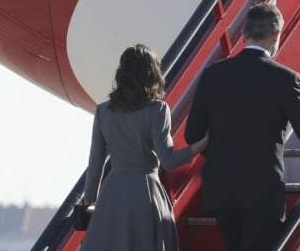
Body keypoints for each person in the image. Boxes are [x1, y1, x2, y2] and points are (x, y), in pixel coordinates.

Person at [185, 2, 300, 251]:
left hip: (221, 191)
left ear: (244, 35)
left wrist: (225, 151)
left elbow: (192, 134)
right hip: (261, 193)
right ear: (277, 35)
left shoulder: (214, 74)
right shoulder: (284, 78)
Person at [81, 44, 208, 250]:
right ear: (152, 73)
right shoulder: (157, 109)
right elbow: (169, 160)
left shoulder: (104, 111)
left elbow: (95, 164)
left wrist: (90, 202)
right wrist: (203, 142)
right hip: (145, 192)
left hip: (113, 195)